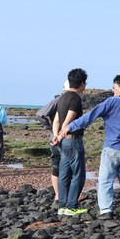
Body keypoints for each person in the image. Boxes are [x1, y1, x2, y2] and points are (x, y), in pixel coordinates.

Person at [59, 74, 120, 220]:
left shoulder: (112, 101)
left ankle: (106, 211)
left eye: (114, 87)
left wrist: (70, 127)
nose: (113, 90)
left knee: (106, 180)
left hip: (112, 147)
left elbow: (91, 116)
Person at [51, 68, 89, 216]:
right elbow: (69, 118)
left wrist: (56, 135)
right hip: (72, 140)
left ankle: (62, 206)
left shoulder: (62, 97)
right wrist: (61, 134)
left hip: (63, 142)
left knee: (64, 173)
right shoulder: (75, 98)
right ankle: (71, 206)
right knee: (78, 174)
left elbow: (56, 120)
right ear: (81, 84)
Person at [36, 81, 70, 202]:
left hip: (59, 137)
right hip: (58, 138)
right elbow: (40, 114)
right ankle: (59, 194)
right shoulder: (59, 100)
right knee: (60, 166)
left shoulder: (62, 100)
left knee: (60, 166)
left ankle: (61, 194)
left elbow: (41, 114)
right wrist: (50, 129)